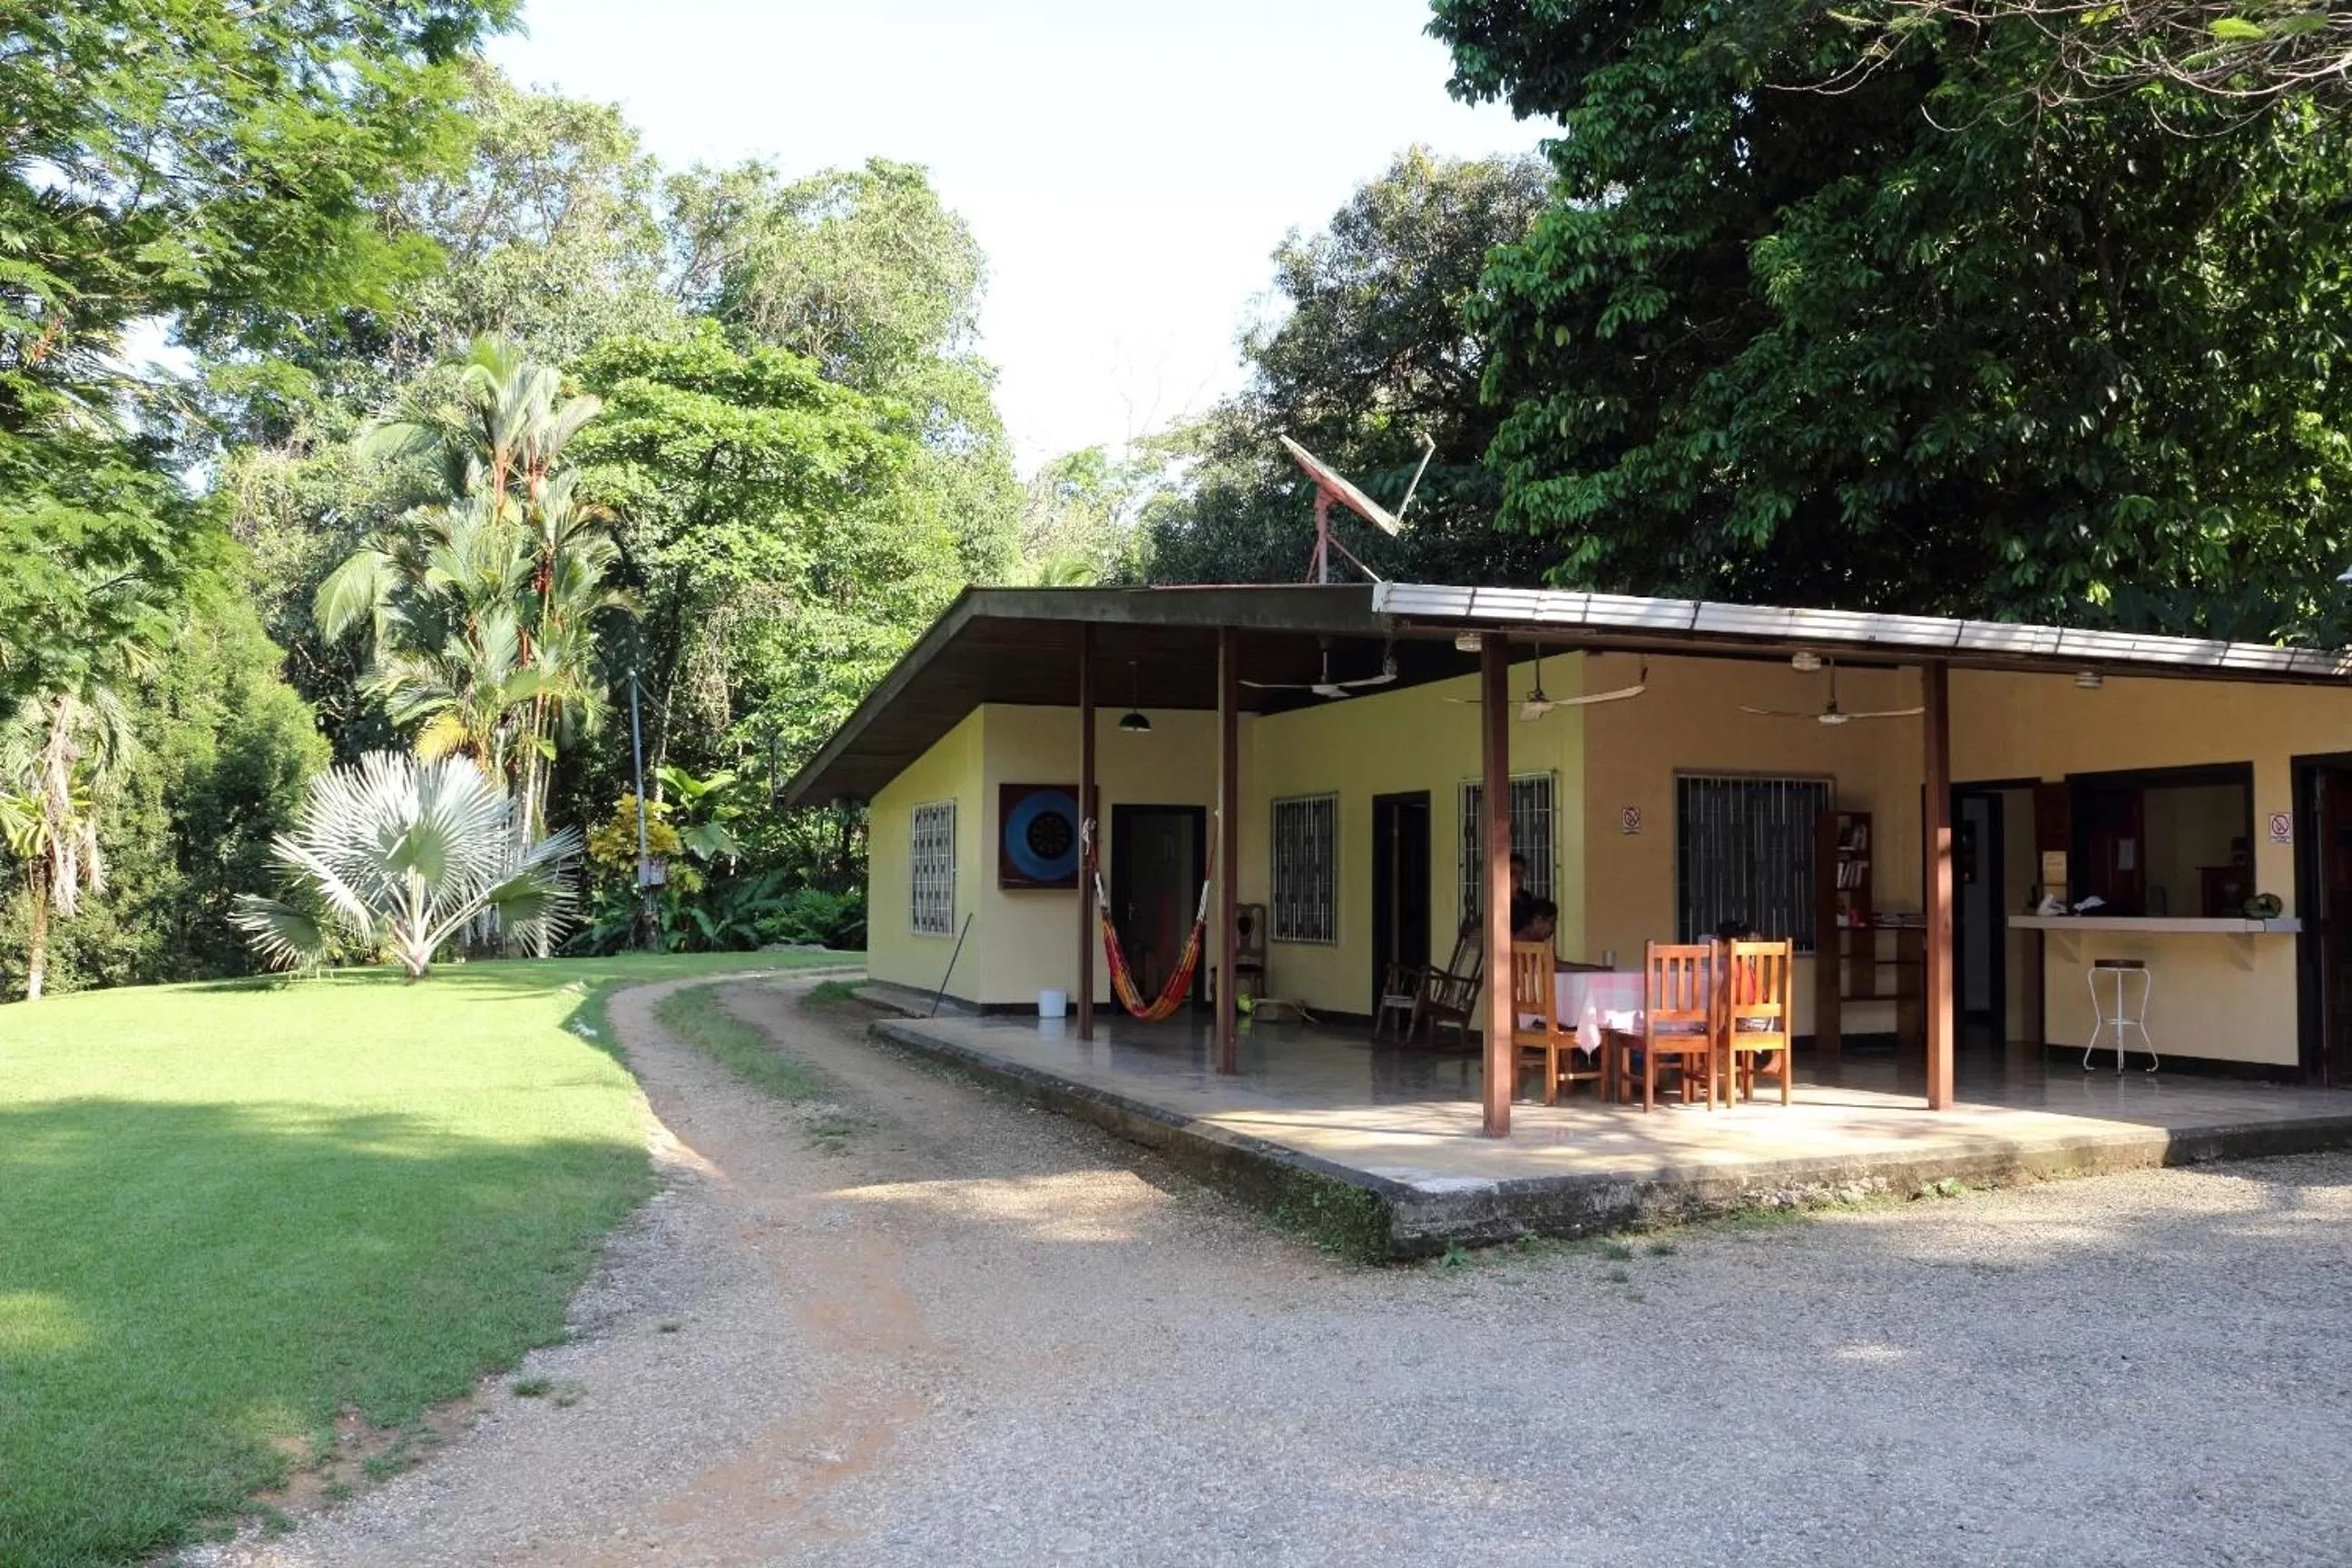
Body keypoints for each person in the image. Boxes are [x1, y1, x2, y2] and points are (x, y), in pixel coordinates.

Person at [1506, 852, 1534, 937]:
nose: (1517, 877)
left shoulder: (1526, 898)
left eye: (1521, 873)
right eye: (1513, 873)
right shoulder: (1497, 896)